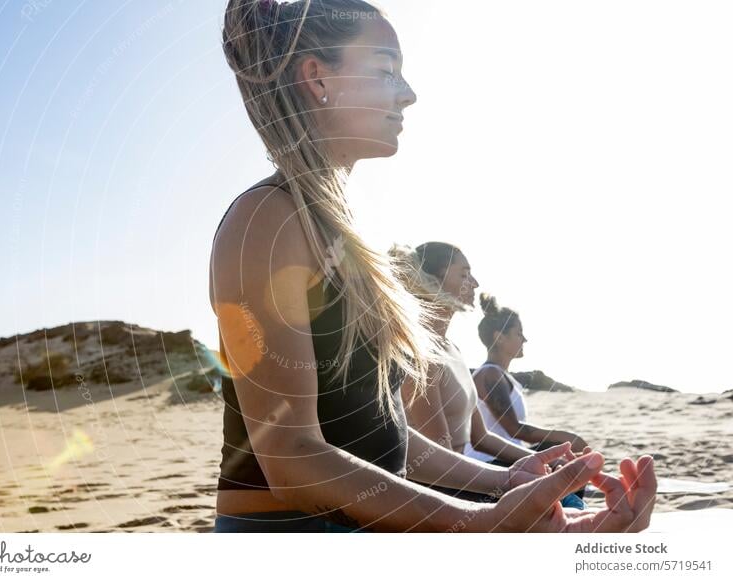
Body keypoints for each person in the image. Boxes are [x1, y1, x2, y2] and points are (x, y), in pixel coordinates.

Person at [210, 0, 656, 533]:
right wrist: (481, 524)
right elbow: (290, 455)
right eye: (384, 71)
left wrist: (507, 484)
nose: (408, 93)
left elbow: (387, 435)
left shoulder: (350, 234)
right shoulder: (267, 219)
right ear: (318, 79)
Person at [391, 242, 586, 508]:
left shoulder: (452, 349)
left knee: (566, 483)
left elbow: (480, 438)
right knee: (568, 501)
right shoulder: (422, 353)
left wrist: (540, 460)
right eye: (463, 274)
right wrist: (510, 479)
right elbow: (440, 456)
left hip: (463, 476)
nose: (474, 282)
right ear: (430, 280)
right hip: (440, 490)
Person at [468, 293, 590, 465]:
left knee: (565, 452)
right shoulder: (490, 375)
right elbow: (515, 430)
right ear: (499, 337)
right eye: (518, 333)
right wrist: (570, 437)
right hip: (489, 462)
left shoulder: (501, 375)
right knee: (567, 447)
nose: (524, 339)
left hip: (506, 458)